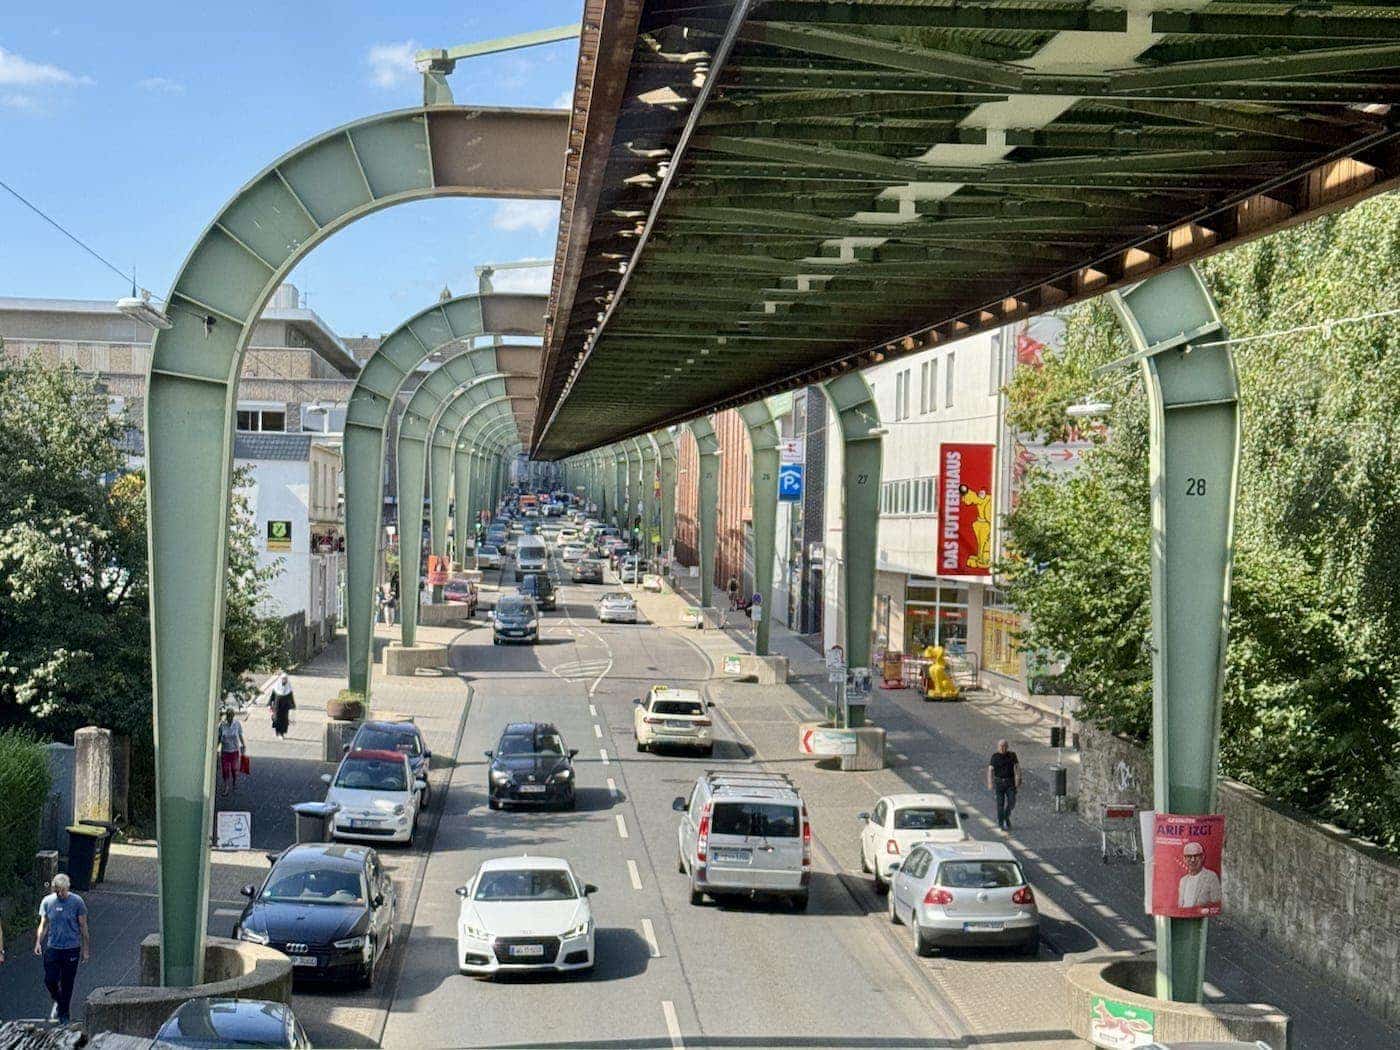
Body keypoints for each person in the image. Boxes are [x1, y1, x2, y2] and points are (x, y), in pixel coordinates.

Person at [34, 873, 88, 1025]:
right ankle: (59, 1000)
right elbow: (43, 924)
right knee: (50, 980)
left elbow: (83, 926)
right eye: (57, 891)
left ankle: (64, 1012)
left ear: (67, 888)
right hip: (53, 947)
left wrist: (85, 949)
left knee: (67, 982)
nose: (61, 894)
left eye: (63, 891)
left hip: (71, 948)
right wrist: (38, 942)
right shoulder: (47, 902)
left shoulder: (77, 902)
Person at [986, 739, 1021, 831]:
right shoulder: (995, 757)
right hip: (999, 783)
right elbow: (990, 770)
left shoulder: (1012, 755)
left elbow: (1017, 768)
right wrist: (990, 782)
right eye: (1001, 746)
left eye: (1004, 746)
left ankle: (1006, 816)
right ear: (998, 747)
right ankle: (1001, 822)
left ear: (1007, 747)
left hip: (1010, 782)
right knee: (1000, 804)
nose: (1002, 748)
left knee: (1012, 802)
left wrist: (1018, 780)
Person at [1176, 841, 1222, 910]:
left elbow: (1217, 903)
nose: (1193, 860)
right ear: (1184, 859)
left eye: (1196, 856)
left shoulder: (1211, 877)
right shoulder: (1183, 880)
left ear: (1202, 857)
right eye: (1189, 856)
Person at [215, 708, 246, 797]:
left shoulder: (237, 724)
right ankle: (226, 786)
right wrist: (216, 749)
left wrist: (243, 745)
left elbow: (240, 735)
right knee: (225, 770)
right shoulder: (222, 725)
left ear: (233, 716)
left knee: (234, 769)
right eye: (228, 716)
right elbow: (219, 738)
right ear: (227, 716)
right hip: (225, 751)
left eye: (231, 716)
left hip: (234, 751)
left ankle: (234, 782)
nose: (230, 718)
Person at [268, 673, 295, 739]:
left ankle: (281, 733)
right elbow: (272, 697)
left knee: (284, 720)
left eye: (285, 679)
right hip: (277, 706)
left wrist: (292, 706)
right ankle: (277, 732)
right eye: (283, 679)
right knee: (276, 719)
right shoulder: (276, 687)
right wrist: (269, 705)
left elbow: (291, 697)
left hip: (285, 707)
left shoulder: (289, 688)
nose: (284, 680)